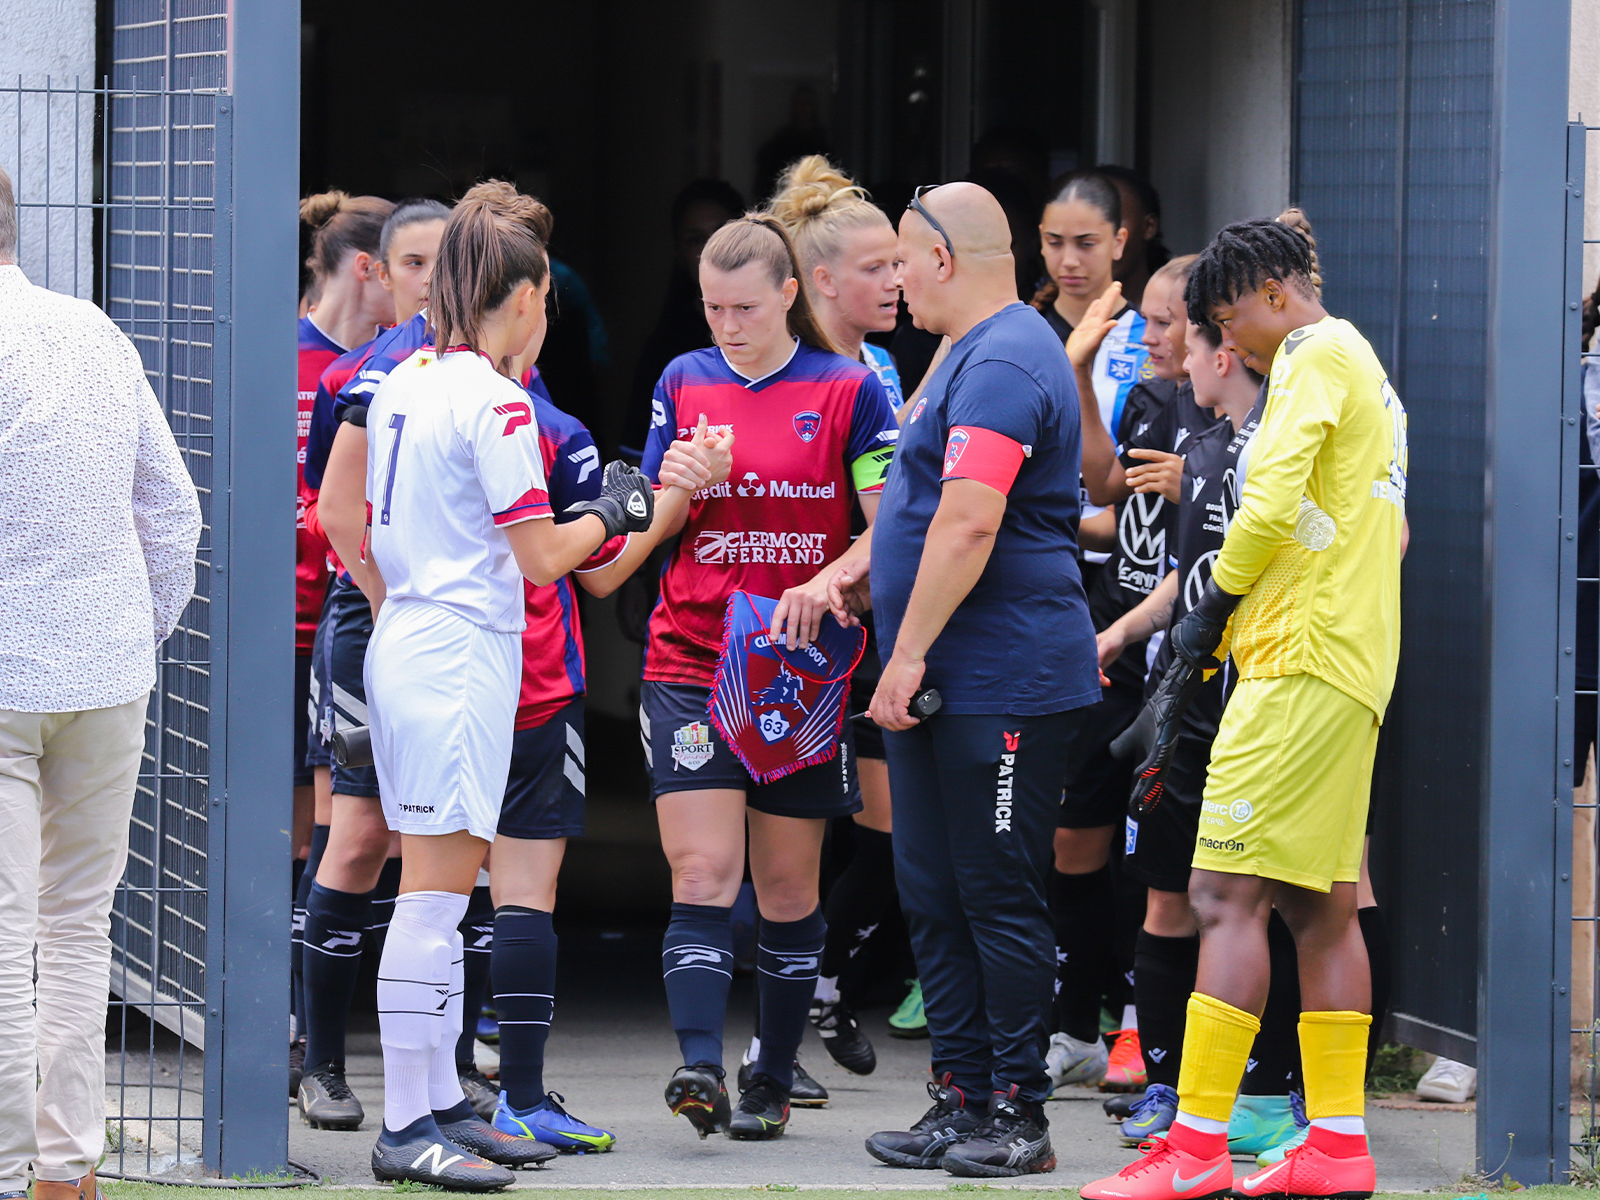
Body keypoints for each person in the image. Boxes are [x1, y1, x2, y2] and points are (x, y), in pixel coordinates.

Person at [1082, 216, 1406, 1200]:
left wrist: (1206, 615)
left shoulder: (1311, 353)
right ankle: (1337, 1147)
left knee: (1222, 897)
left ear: (1272, 294)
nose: (1228, 345)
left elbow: (1265, 507)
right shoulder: (1359, 364)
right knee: (1319, 908)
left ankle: (1194, 1149)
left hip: (1296, 664)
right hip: (1342, 663)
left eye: (1227, 321)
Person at [358, 181, 655, 1188]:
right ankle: (407, 1126)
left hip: (414, 636)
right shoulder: (495, 399)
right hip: (455, 651)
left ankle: (441, 1102)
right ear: (526, 297)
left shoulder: (405, 377)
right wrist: (618, 508)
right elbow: (542, 559)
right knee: (432, 902)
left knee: (442, 894)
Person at [839, 182, 1099, 1178]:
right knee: (933, 893)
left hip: (1000, 680)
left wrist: (904, 654)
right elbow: (918, 507)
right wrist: (857, 580)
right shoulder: (964, 351)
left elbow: (970, 518)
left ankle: (1018, 1116)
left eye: (902, 259)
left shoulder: (1003, 360)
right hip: (942, 679)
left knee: (995, 894)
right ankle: (959, 1099)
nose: (895, 279)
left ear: (943, 259)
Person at [633, 214, 898, 1141]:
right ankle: (699, 1066)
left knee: (787, 889)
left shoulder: (849, 389)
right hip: (690, 658)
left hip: (799, 666)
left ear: (790, 294)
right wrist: (681, 484)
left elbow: (889, 525)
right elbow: (648, 525)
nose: (726, 326)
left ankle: (772, 1079)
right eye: (712, 308)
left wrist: (829, 581)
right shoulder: (683, 380)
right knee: (702, 868)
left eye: (744, 308)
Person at [0, 162, 202, 1200]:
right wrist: (138, 632)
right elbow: (173, 509)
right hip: (106, 668)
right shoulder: (95, 332)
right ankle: (67, 1165)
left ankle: (6, 1167)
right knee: (77, 924)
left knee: (3, 934)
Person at [296, 198, 449, 1130]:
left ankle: (441, 1079)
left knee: (453, 846)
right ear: (381, 275)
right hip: (373, 619)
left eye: (445, 261)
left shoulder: (500, 369)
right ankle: (321, 1064)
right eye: (414, 263)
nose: (431, 280)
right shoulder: (359, 375)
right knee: (355, 839)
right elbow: (336, 509)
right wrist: (396, 604)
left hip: (460, 631)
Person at [1046, 254, 1215, 1096]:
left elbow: (1221, 545)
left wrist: (1201, 487)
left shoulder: (1235, 414)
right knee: (1074, 837)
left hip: (1182, 663)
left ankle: (1149, 1040)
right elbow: (1106, 490)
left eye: (1164, 320)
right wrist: (1079, 374)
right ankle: (1075, 1027)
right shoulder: (1150, 397)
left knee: (1160, 866)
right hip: (1119, 644)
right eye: (1143, 318)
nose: (1149, 336)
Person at [768, 155, 906, 1080]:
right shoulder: (785, 369)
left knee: (890, 845)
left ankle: (822, 984)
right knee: (793, 851)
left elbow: (894, 499)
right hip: (796, 637)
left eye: (900, 262)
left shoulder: (881, 367)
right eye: (877, 267)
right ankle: (776, 1041)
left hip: (877, 632)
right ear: (820, 280)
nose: (898, 279)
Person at [290, 190, 396, 1096]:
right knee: (304, 832)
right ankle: (297, 1033)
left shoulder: (394, 370)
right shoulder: (292, 360)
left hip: (354, 620)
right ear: (372, 267)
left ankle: (342, 1030)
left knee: (357, 828)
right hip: (282, 630)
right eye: (414, 265)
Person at [624, 179, 746, 458]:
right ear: (679, 253)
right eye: (696, 240)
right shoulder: (665, 355)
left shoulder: (793, 345)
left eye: (723, 234)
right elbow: (639, 461)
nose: (712, 250)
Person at [1093, 165, 1172, 309]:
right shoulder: (1051, 315)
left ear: (1149, 227)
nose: (1095, 239)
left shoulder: (1177, 313)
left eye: (1113, 221)